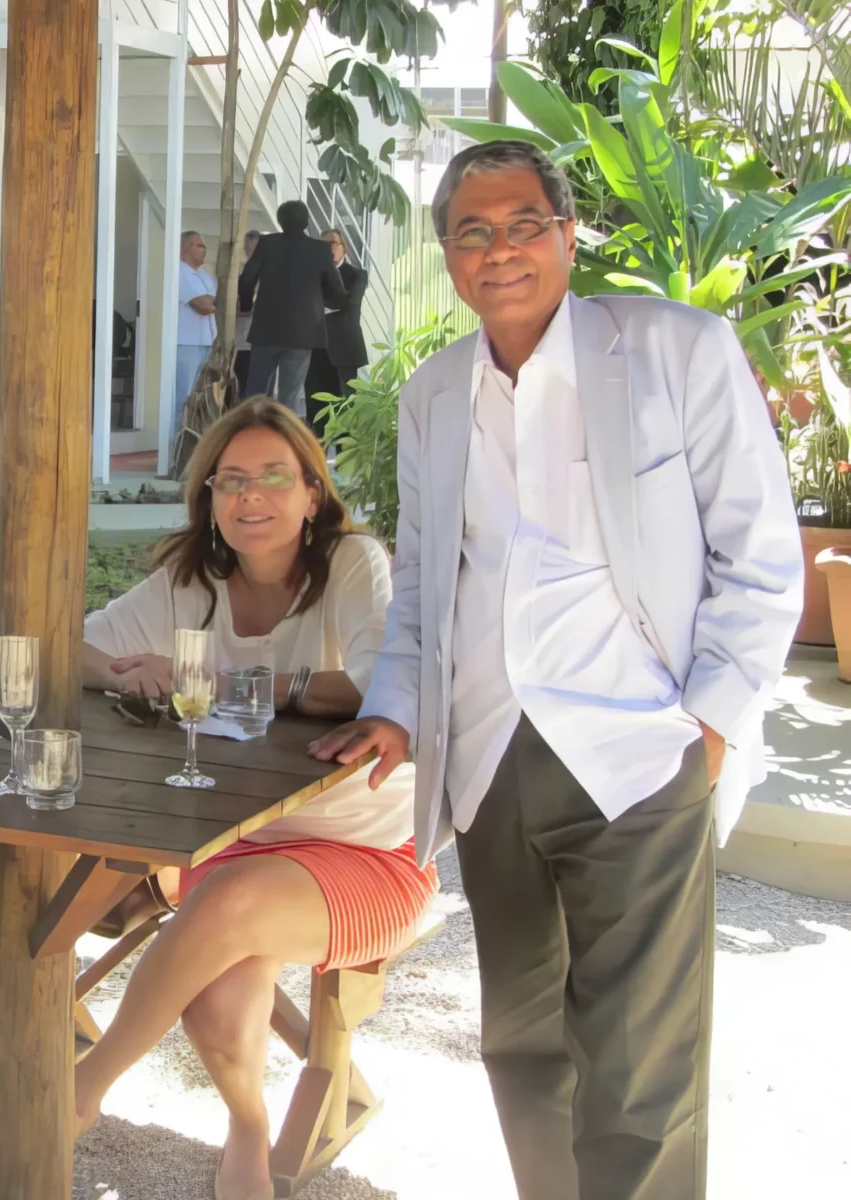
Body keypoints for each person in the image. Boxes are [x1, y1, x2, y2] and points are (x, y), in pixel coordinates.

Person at [312, 141, 805, 1200]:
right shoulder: (436, 395)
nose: (500, 251)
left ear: (568, 235)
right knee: (524, 1050)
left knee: (639, 1072)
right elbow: (426, 590)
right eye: (473, 232)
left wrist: (707, 725)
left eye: (524, 223)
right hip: (490, 756)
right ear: (446, 255)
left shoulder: (677, 351)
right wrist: (397, 709)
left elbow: (761, 559)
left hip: (637, 749)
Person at [72, 400, 436, 1200]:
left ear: (312, 492)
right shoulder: (188, 583)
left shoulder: (352, 564)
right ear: (209, 498)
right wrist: (129, 672)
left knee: (224, 907)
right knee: (212, 1000)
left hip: (370, 854)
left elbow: (384, 682)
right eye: (230, 480)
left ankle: (78, 1094)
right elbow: (75, 646)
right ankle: (249, 1122)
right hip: (233, 842)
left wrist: (251, 687)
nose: (250, 497)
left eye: (274, 476)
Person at [239, 201, 349, 418]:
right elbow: (336, 288)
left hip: (266, 330)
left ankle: (251, 438)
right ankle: (283, 442)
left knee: (255, 393)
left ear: (280, 222)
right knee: (289, 396)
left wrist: (246, 304)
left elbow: (247, 279)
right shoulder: (319, 249)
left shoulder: (267, 244)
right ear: (306, 221)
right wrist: (325, 302)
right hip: (303, 333)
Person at [309, 228, 368, 436]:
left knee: (346, 409)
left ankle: (344, 461)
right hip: (316, 349)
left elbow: (350, 304)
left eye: (333, 243)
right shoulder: (314, 276)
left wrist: (321, 306)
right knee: (316, 411)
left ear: (345, 248)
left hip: (345, 349)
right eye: (323, 245)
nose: (329, 248)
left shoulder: (357, 275)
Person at [170, 230, 218, 468]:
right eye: (197, 245)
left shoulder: (205, 277)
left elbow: (221, 302)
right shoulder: (180, 272)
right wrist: (215, 302)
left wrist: (215, 302)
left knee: (200, 400)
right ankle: (176, 451)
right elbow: (204, 305)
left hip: (206, 342)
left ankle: (195, 449)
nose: (203, 249)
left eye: (203, 245)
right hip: (186, 341)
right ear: (184, 250)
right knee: (183, 398)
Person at [233, 229, 262, 390]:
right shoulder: (243, 275)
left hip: (260, 342)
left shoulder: (270, 275)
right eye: (249, 250)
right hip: (241, 342)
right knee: (240, 387)